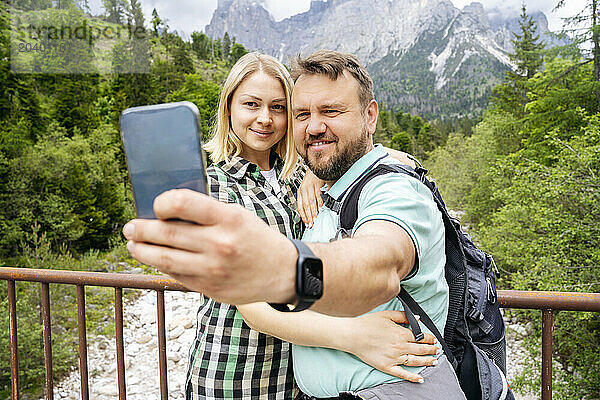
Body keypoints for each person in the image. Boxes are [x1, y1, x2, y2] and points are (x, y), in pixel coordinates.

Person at [123, 50, 464, 399]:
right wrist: (354, 335)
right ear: (229, 110)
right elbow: (251, 304)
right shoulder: (217, 188)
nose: (264, 119)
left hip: (293, 377)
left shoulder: (302, 176)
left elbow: (375, 159)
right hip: (236, 369)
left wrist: (319, 173)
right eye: (251, 105)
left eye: (279, 108)